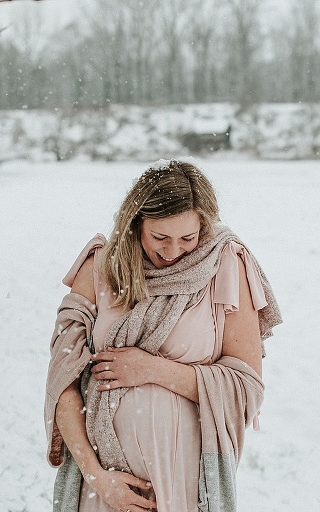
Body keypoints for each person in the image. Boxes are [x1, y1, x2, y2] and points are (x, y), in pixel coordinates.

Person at [44, 159, 281, 512]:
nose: (173, 252)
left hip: (181, 480)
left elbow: (246, 387)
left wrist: (153, 370)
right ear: (135, 224)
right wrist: (97, 477)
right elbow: (62, 380)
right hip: (103, 485)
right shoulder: (99, 268)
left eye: (188, 237)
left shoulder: (224, 265)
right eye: (160, 238)